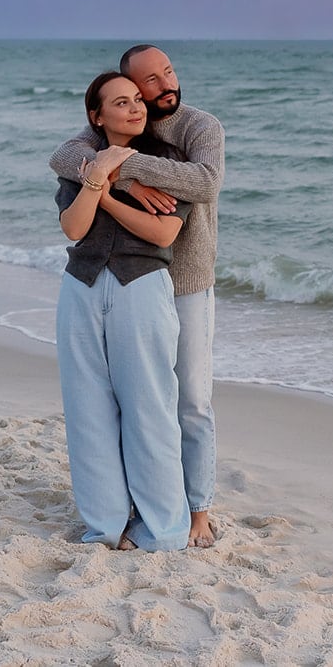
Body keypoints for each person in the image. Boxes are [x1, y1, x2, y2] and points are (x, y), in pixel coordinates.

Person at [50, 45, 225, 548]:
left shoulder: (194, 133)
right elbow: (64, 167)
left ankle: (193, 513)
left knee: (181, 401)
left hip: (179, 280)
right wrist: (104, 168)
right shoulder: (86, 148)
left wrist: (118, 172)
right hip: (85, 282)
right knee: (91, 406)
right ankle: (108, 521)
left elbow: (200, 189)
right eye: (134, 90)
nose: (154, 91)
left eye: (166, 73)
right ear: (97, 114)